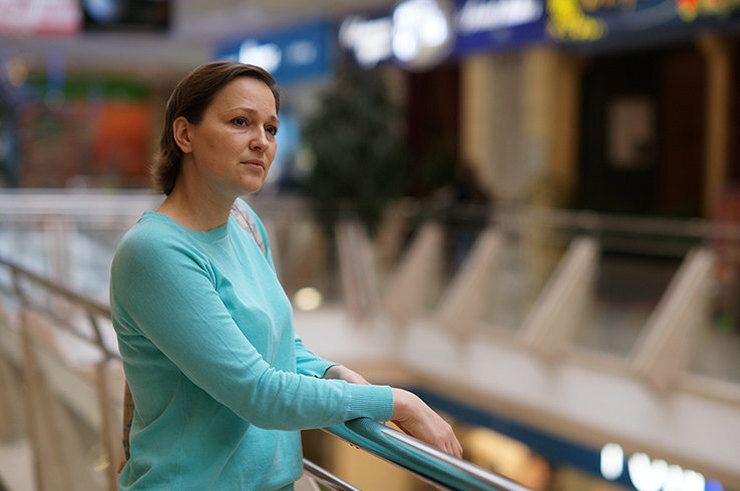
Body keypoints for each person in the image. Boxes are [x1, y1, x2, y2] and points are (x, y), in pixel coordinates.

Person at [110, 61, 461, 490]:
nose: (261, 141)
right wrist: (397, 402)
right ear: (185, 134)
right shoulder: (155, 252)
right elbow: (258, 393)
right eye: (240, 122)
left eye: (271, 128)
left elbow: (281, 348)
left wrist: (332, 372)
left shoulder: (245, 223)